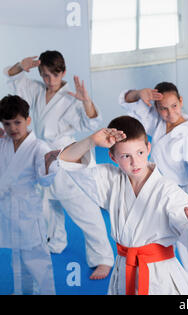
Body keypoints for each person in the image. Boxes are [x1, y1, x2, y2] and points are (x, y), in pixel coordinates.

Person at [57, 115, 188, 295]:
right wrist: (91, 140)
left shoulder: (167, 191)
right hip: (123, 270)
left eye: (140, 153)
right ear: (113, 157)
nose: (134, 162)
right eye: (125, 156)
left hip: (159, 277)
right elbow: (68, 160)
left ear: (148, 148)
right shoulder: (112, 180)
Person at [4, 51, 114, 279]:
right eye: (44, 75)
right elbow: (11, 75)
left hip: (67, 156)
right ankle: (56, 242)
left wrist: (86, 101)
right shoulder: (36, 89)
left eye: (54, 75)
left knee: (84, 210)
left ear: (63, 72)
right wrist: (20, 65)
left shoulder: (72, 96)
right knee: (48, 205)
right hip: (41, 155)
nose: (49, 80)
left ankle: (103, 258)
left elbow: (92, 121)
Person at [119, 82, 188, 294]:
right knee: (156, 245)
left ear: (181, 102)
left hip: (183, 195)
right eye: (163, 109)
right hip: (159, 192)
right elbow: (129, 103)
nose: (170, 113)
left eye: (174, 106)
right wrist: (138, 93)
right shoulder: (158, 123)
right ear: (157, 109)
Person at [0, 95, 59, 294]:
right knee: (16, 258)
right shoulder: (3, 142)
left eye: (17, 122)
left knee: (37, 259)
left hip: (28, 209)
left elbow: (44, 181)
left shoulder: (39, 147)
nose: (12, 128)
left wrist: (49, 164)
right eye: (7, 124)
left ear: (28, 120)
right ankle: (22, 291)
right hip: (7, 208)